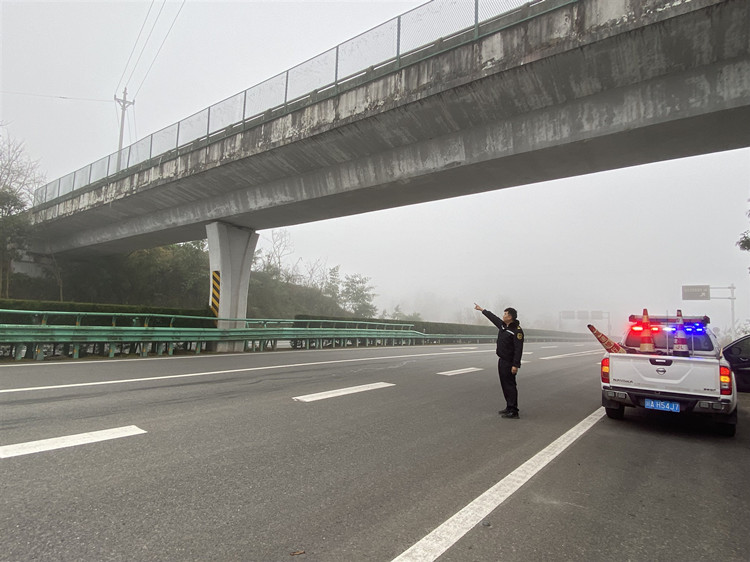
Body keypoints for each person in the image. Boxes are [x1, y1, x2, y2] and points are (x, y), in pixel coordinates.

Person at [474, 303, 524, 419]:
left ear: (510, 317)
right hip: (502, 360)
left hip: (510, 362)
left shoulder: (517, 331)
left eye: (505, 314)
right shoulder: (503, 326)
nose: (503, 315)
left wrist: (515, 365)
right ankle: (509, 406)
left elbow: (518, 349)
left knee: (510, 385)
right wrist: (482, 310)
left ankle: (514, 411)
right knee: (504, 385)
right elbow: (493, 318)